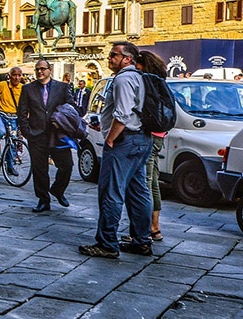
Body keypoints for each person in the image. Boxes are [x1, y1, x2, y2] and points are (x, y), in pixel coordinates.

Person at [79, 42, 153, 259]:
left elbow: (122, 114)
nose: (109, 58)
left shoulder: (123, 79)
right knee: (138, 192)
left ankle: (107, 243)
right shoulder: (141, 76)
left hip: (125, 140)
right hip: (141, 139)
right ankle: (142, 240)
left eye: (114, 55)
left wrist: (110, 139)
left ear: (127, 59)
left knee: (111, 192)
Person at [18, 59, 75, 212]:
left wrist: (62, 122)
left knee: (67, 165)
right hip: (36, 134)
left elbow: (70, 107)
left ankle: (58, 189)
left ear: (49, 70)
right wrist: (27, 132)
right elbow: (22, 112)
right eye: (37, 69)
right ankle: (43, 199)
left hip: (57, 134)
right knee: (39, 169)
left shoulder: (62, 87)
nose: (39, 72)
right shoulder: (28, 89)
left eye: (42, 69)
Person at [132, 50, 168, 243]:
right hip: (160, 135)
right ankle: (155, 227)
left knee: (144, 184)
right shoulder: (160, 79)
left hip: (149, 135)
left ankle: (144, 229)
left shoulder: (146, 81)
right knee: (153, 182)